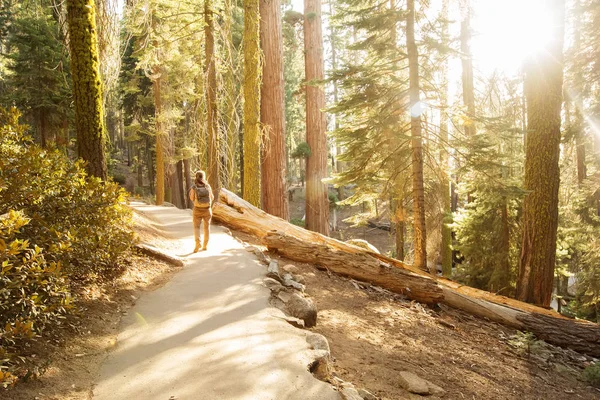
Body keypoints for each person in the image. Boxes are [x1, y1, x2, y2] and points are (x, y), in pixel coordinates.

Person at [189, 170, 214, 252]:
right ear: (204, 177)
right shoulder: (208, 186)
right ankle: (205, 245)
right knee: (207, 227)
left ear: (196, 177)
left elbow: (192, 198)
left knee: (196, 227)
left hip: (197, 209)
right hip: (207, 209)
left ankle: (197, 243)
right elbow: (212, 198)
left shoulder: (194, 187)